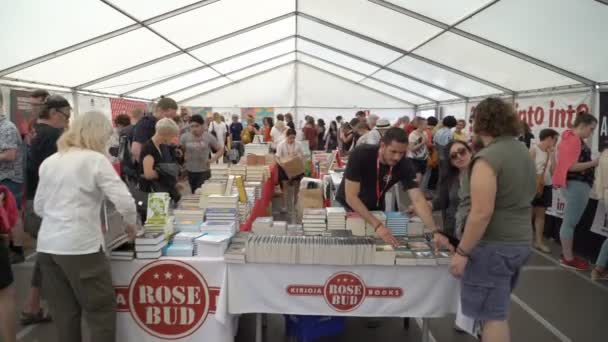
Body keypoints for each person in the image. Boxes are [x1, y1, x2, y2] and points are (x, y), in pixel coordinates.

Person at [35, 111, 138, 342]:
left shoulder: (50, 161)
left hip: (47, 246)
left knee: (65, 314)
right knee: (100, 312)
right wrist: (130, 224)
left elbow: (39, 207)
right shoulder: (94, 160)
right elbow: (124, 200)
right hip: (81, 247)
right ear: (98, 135)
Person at [449, 97, 536, 342]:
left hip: (493, 246)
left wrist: (463, 252)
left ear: (480, 122)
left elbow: (481, 212)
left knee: (492, 317)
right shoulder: (521, 150)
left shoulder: (489, 158)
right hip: (519, 240)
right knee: (497, 312)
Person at [335, 127, 452, 249]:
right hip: (347, 206)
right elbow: (351, 197)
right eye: (393, 151)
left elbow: (418, 199)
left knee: (376, 248)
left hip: (375, 207)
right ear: (382, 145)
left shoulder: (404, 164)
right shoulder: (361, 154)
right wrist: (377, 225)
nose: (397, 157)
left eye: (402, 153)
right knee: (346, 247)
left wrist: (434, 231)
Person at [22, 95, 71, 325]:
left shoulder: (35, 132)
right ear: (54, 113)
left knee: (45, 255)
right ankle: (47, 306)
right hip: (48, 204)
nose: (68, 121)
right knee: (53, 258)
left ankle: (33, 306)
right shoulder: (54, 136)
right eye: (66, 115)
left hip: (33, 200)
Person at [552, 112, 598, 270]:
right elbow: (571, 166)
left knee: (569, 222)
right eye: (591, 129)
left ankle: (567, 255)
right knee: (570, 223)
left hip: (575, 185)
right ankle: (568, 258)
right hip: (577, 185)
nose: (591, 133)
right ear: (583, 125)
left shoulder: (569, 138)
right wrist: (595, 162)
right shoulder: (573, 140)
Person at [428, 141, 473, 238]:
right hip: (452, 229)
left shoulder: (482, 175)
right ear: (450, 162)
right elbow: (442, 200)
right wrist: (425, 205)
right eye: (453, 156)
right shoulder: (450, 177)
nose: (459, 157)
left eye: (462, 152)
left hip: (474, 231)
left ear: (470, 152)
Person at [0, 93, 25, 265]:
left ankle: (17, 250)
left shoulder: (6, 128)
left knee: (13, 214)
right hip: (4, 177)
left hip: (9, 178)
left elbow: (9, 155)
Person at [530, 129, 559, 253]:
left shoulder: (550, 152)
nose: (556, 142)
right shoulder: (534, 149)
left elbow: (553, 171)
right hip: (532, 186)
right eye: (555, 139)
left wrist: (552, 155)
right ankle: (522, 240)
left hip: (546, 186)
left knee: (541, 215)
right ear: (548, 138)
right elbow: (527, 169)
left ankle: (539, 242)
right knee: (528, 215)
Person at [140, 118, 182, 203]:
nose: (173, 138)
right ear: (166, 135)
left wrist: (173, 183)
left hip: (164, 191)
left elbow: (165, 168)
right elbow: (148, 174)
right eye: (172, 136)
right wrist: (164, 173)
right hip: (154, 194)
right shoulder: (149, 148)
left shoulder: (163, 146)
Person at [180, 115, 223, 193]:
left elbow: (221, 149)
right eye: (192, 126)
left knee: (204, 193)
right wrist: (184, 156)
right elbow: (181, 150)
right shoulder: (185, 137)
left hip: (204, 171)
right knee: (194, 193)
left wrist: (213, 159)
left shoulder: (208, 136)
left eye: (197, 126)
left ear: (202, 125)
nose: (194, 129)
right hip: (190, 171)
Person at [131, 97, 178, 163]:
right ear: (159, 110)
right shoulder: (146, 123)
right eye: (168, 116)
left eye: (172, 117)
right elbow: (136, 150)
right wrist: (149, 169)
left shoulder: (160, 124)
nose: (170, 119)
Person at [276, 129, 305, 216]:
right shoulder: (281, 144)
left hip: (295, 167)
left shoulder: (298, 144)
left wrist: (298, 157)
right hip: (284, 167)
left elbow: (302, 155)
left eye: (293, 138)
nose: (292, 140)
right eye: (290, 138)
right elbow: (277, 157)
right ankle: (284, 206)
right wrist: (282, 165)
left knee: (297, 186)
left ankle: (295, 204)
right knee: (285, 187)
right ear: (286, 136)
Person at [407, 117, 429, 184]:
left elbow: (425, 145)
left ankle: (418, 191)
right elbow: (412, 148)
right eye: (425, 124)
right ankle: (415, 192)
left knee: (421, 178)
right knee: (418, 178)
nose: (427, 126)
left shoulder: (425, 133)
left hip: (423, 158)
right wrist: (422, 143)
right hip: (414, 159)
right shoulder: (412, 135)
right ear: (419, 125)